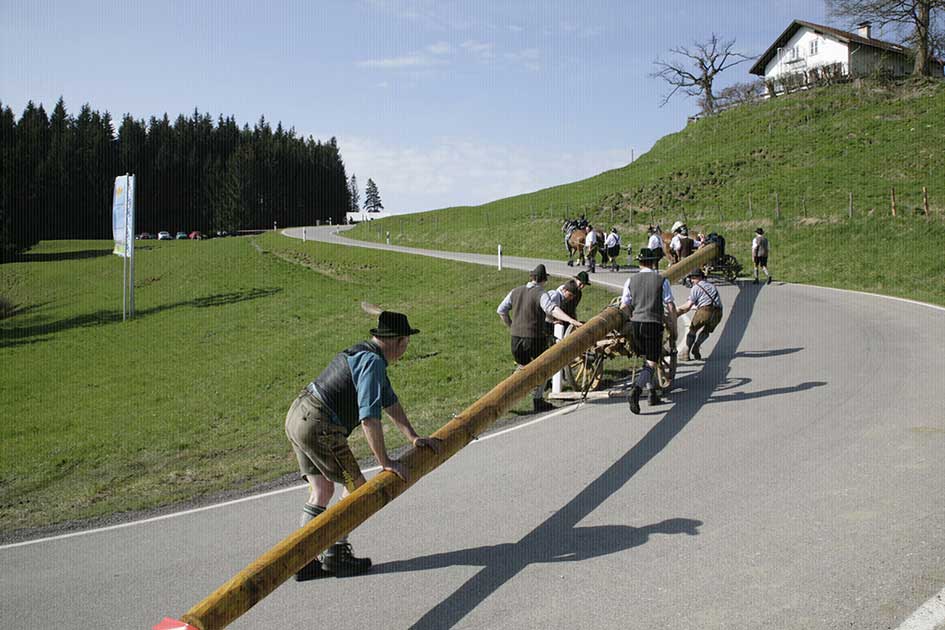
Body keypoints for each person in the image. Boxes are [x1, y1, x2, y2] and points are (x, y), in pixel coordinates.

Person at [284, 311, 443, 580]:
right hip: (320, 426)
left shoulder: (363, 352)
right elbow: (369, 417)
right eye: (406, 344)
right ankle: (335, 554)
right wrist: (386, 462)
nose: (406, 350)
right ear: (400, 342)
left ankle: (304, 560)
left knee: (322, 489)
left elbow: (389, 401)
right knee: (356, 487)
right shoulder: (373, 363)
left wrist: (412, 437)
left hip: (298, 415)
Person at [498, 264, 582, 412]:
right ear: (544, 280)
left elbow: (501, 310)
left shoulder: (515, 291)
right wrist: (571, 321)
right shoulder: (540, 293)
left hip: (515, 341)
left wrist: (511, 326)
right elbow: (552, 309)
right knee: (546, 367)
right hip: (533, 339)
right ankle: (538, 399)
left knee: (522, 369)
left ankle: (503, 397)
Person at [619, 248, 677, 414]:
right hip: (653, 323)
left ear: (639, 262)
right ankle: (636, 390)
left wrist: (632, 317)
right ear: (654, 262)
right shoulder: (661, 280)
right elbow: (670, 305)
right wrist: (673, 325)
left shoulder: (630, 280)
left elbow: (624, 305)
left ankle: (652, 393)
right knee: (652, 361)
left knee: (646, 359)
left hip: (636, 324)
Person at [676, 268, 723, 361]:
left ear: (698, 278)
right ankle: (697, 346)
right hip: (718, 312)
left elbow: (688, 306)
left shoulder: (696, 288)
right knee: (706, 331)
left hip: (705, 311)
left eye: (693, 278)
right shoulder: (711, 286)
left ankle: (686, 353)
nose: (692, 281)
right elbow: (707, 301)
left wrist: (678, 309)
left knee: (692, 330)